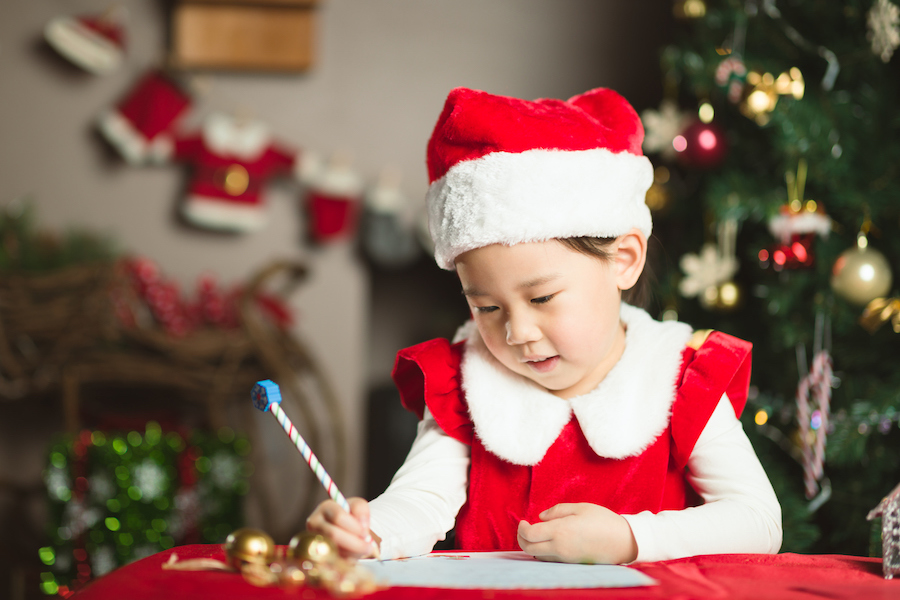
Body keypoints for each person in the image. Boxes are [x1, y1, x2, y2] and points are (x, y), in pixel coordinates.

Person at [306, 87, 782, 564]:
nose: (517, 333)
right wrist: (369, 532)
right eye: (487, 308)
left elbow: (759, 521)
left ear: (624, 260)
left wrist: (629, 538)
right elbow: (421, 500)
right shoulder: (466, 379)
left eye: (541, 298)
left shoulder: (679, 376)